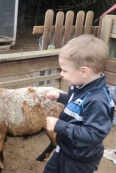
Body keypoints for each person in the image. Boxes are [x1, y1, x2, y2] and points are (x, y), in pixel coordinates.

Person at [44, 34, 115, 173]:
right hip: (66, 147)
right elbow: (78, 103)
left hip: (79, 159)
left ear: (84, 71)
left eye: (64, 70)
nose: (61, 74)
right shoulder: (80, 86)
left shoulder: (97, 100)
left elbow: (94, 134)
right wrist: (61, 97)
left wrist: (61, 126)